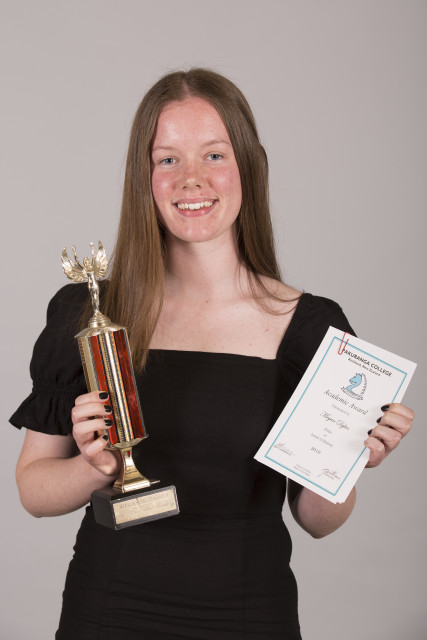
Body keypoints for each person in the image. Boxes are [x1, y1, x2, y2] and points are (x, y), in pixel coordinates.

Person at [10, 68, 414, 640]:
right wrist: (93, 467)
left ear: (248, 166)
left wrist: (350, 460)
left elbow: (318, 522)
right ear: (145, 177)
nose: (191, 180)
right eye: (168, 159)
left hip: (250, 617)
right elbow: (33, 490)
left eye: (215, 155)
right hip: (107, 613)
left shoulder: (310, 327)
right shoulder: (88, 311)